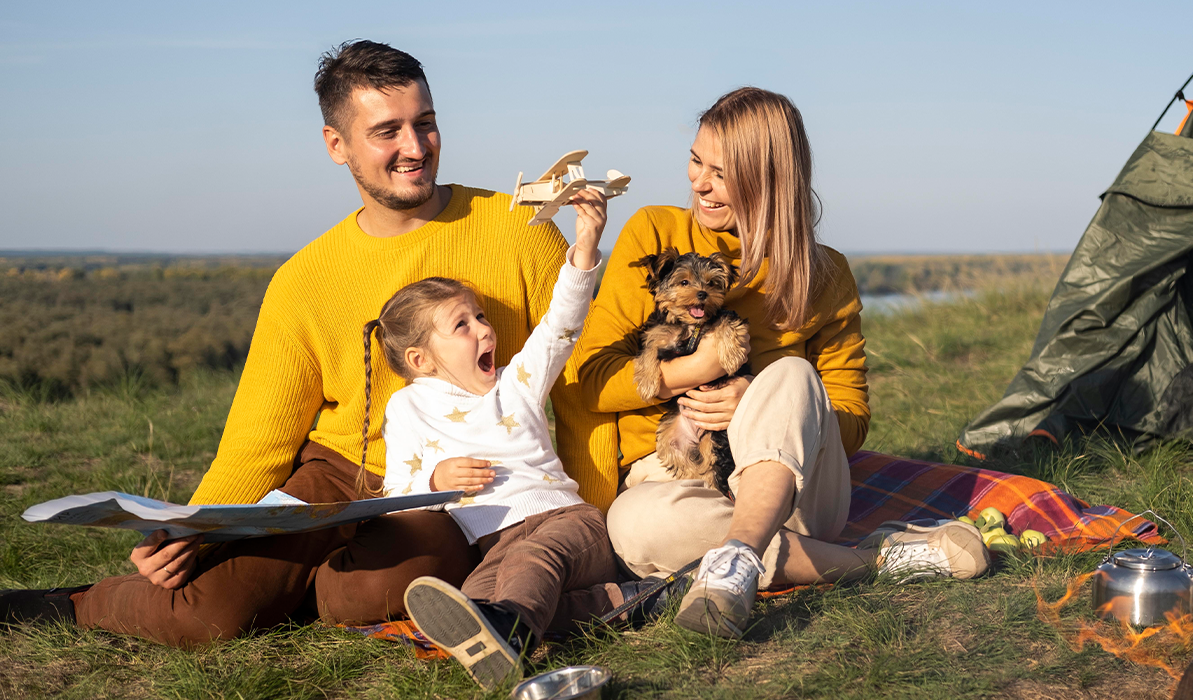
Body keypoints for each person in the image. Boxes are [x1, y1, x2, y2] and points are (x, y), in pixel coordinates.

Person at [0, 40, 619, 647]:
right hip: (334, 477)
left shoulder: (517, 231)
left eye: (425, 124)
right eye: (387, 131)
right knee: (206, 617)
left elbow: (576, 385)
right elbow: (260, 435)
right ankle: (70, 605)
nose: (414, 148)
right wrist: (196, 527)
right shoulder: (304, 278)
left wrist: (599, 523)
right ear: (336, 144)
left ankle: (304, 591)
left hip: (443, 493)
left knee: (395, 584)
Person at [576, 87, 990, 639]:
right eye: (696, 161)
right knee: (635, 525)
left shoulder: (826, 274)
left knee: (789, 376)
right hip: (675, 480)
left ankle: (737, 557)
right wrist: (695, 370)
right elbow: (591, 382)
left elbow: (850, 418)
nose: (699, 181)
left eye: (720, 172)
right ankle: (878, 561)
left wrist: (759, 403)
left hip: (794, 487)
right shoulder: (656, 232)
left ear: (768, 178)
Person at [363, 188, 614, 689]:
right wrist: (433, 478)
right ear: (420, 359)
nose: (485, 329)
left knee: (528, 566)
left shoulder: (516, 383)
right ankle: (625, 600)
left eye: (481, 316)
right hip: (491, 545)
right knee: (475, 598)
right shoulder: (407, 407)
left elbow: (559, 328)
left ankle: (512, 635)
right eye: (463, 324)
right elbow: (394, 493)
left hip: (567, 523)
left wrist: (585, 247)